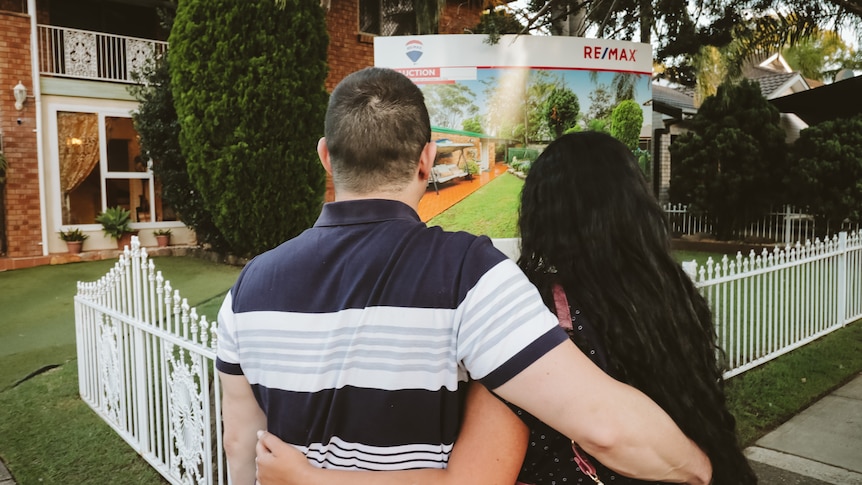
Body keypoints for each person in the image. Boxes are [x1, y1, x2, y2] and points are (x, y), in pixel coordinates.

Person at [216, 67, 712, 485]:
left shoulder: (246, 292)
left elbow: (242, 446)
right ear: (426, 159)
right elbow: (604, 426)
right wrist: (704, 466)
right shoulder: (469, 274)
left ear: (326, 156)